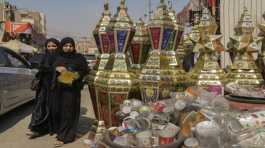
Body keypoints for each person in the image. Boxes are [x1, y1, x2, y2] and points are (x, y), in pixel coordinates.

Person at [52, 37, 88, 146]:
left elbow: (84, 71)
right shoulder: (58, 57)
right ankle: (61, 131)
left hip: (71, 90)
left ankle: (65, 137)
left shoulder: (79, 58)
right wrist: (56, 69)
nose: (68, 48)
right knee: (58, 111)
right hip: (58, 89)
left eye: (70, 46)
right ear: (62, 46)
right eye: (66, 45)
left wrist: (71, 73)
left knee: (68, 112)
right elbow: (51, 69)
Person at [27, 38, 60, 139]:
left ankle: (54, 128)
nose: (51, 48)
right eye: (49, 46)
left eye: (54, 46)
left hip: (56, 87)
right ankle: (37, 129)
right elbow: (40, 70)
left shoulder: (61, 58)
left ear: (58, 47)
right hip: (43, 87)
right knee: (40, 107)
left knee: (54, 108)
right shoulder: (43, 57)